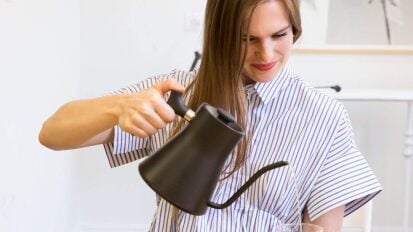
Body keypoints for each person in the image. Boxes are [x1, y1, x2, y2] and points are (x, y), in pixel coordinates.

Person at [39, 0, 382, 231]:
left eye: (279, 35)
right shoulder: (177, 97)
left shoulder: (323, 118)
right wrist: (119, 107)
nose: (266, 54)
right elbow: (53, 132)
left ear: (295, 29)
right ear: (220, 37)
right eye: (246, 39)